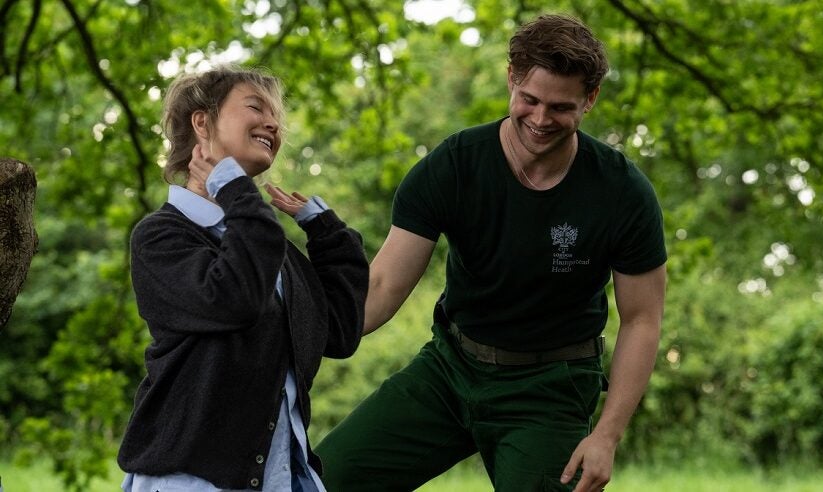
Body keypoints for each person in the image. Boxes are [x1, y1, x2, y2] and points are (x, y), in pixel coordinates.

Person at [315, 14, 667, 492]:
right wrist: (302, 336)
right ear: (511, 79)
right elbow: (380, 286)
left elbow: (643, 319)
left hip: (551, 387)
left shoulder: (622, 193)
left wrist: (607, 434)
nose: (541, 120)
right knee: (322, 479)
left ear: (591, 100)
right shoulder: (453, 167)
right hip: (450, 369)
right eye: (530, 100)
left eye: (561, 107)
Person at [117, 65, 368, 491]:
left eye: (277, 116)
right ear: (202, 122)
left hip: (285, 477)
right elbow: (234, 300)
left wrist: (326, 231)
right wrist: (234, 191)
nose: (273, 122)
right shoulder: (161, 237)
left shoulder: (270, 248)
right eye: (256, 106)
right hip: (190, 480)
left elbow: (339, 332)